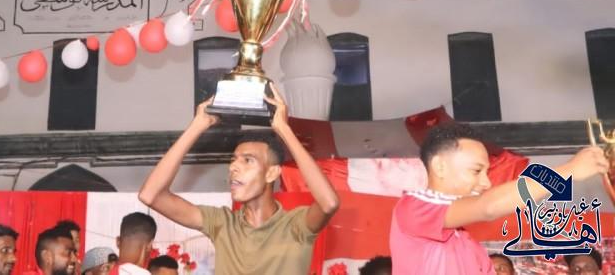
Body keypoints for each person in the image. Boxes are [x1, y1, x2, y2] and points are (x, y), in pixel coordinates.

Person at [139, 84, 340, 274]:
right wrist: (197, 125)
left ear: (271, 173)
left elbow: (329, 203)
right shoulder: (222, 223)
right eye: (233, 160)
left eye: (248, 160)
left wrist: (283, 129)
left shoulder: (295, 225)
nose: (233, 167)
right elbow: (151, 195)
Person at [389, 123, 608, 275]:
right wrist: (567, 171)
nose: (486, 183)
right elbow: (489, 207)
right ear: (440, 166)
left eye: (486, 172)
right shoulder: (413, 207)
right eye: (476, 171)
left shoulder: (469, 246)